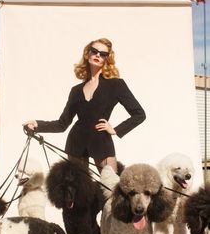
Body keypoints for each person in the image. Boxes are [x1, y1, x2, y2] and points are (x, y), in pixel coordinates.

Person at [23, 38, 146, 173]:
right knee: (79, 190)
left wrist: (116, 130)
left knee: (111, 188)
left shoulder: (116, 85)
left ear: (106, 59)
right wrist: (37, 125)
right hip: (76, 142)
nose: (98, 55)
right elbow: (62, 123)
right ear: (87, 54)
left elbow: (139, 114)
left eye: (103, 54)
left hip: (101, 141)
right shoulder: (75, 91)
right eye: (94, 51)